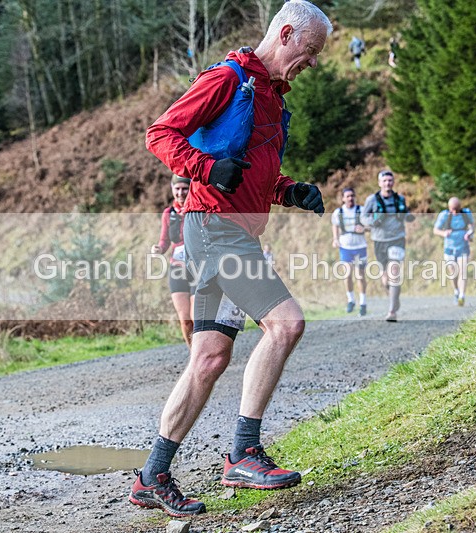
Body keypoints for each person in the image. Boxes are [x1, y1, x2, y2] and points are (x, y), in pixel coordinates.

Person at [134, 0, 332, 518]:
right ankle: (244, 453)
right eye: (309, 51)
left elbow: (248, 173)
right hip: (215, 232)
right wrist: (203, 167)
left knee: (208, 359)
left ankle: (152, 475)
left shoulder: (270, 96)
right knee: (286, 324)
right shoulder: (229, 78)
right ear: (286, 34)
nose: (311, 63)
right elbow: (161, 133)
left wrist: (289, 192)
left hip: (230, 229)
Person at [362, 170, 414, 322]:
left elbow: (406, 214)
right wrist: (374, 222)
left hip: (397, 239)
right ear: (379, 183)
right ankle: (394, 297)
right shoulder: (371, 199)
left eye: (390, 181)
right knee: (385, 279)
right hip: (379, 241)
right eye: (384, 181)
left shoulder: (400, 199)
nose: (387, 183)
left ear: (393, 182)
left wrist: (408, 216)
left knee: (394, 273)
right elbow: (363, 218)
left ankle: (392, 311)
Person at [151, 175, 196, 348]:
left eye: (184, 188)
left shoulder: (198, 209)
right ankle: (194, 358)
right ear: (172, 189)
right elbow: (165, 241)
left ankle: (203, 356)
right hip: (177, 268)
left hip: (197, 268)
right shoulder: (168, 214)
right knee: (185, 320)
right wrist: (159, 249)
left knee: (196, 317)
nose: (180, 192)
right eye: (177, 188)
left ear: (190, 188)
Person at [331, 187, 367, 316]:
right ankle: (351, 300)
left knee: (360, 275)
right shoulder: (338, 212)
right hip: (345, 247)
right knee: (347, 275)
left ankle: (363, 303)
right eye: (347, 196)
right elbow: (334, 225)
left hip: (360, 246)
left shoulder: (361, 210)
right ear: (343, 198)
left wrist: (363, 228)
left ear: (355, 197)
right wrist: (335, 238)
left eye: (352, 195)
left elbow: (370, 225)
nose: (350, 198)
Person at [433, 197, 475, 306]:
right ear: (449, 208)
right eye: (453, 209)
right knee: (453, 272)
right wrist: (444, 233)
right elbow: (435, 230)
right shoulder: (444, 215)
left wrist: (469, 233)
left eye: (457, 209)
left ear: (460, 206)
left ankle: (462, 295)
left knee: (463, 271)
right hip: (449, 248)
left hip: (463, 247)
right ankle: (456, 290)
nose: (455, 211)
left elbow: (472, 226)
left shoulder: (466, 213)